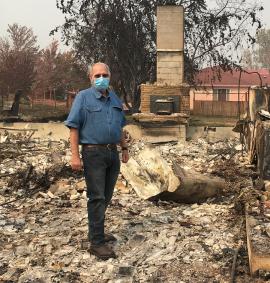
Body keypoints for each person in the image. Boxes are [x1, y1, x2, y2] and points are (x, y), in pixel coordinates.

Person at [65, 62, 129, 260]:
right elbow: (74, 127)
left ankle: (96, 232)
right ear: (90, 78)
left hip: (112, 154)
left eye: (104, 74)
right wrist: (75, 156)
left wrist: (125, 148)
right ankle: (97, 243)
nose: (101, 78)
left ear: (110, 76)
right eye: (97, 75)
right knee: (97, 198)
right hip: (93, 153)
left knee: (106, 197)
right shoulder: (83, 98)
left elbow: (120, 128)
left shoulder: (115, 99)